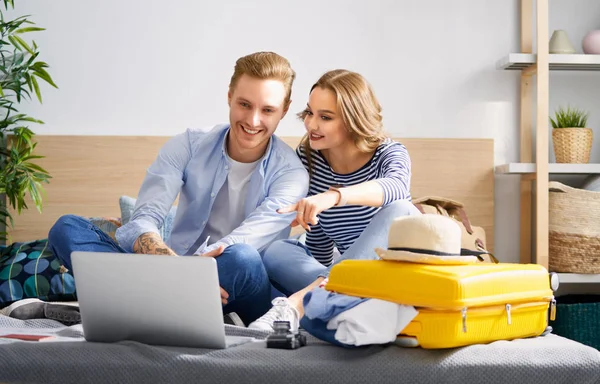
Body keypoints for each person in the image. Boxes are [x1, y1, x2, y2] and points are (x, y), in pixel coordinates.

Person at [47, 51, 309, 327]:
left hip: (238, 287)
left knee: (243, 257)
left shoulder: (291, 174)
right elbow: (143, 220)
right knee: (66, 228)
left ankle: (133, 305)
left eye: (267, 110)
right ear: (230, 95)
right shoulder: (187, 145)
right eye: (244, 104)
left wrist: (179, 277)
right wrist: (172, 271)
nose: (253, 121)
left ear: (285, 109)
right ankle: (164, 307)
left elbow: (241, 243)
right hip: (167, 272)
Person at [248, 69, 421, 331]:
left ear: (353, 120)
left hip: (395, 275)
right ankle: (340, 300)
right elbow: (319, 242)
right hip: (349, 279)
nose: (311, 125)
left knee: (401, 210)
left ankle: (298, 306)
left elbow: (396, 187)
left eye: (325, 117)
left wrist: (334, 197)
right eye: (309, 113)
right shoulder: (309, 159)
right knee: (277, 250)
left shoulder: (389, 153)